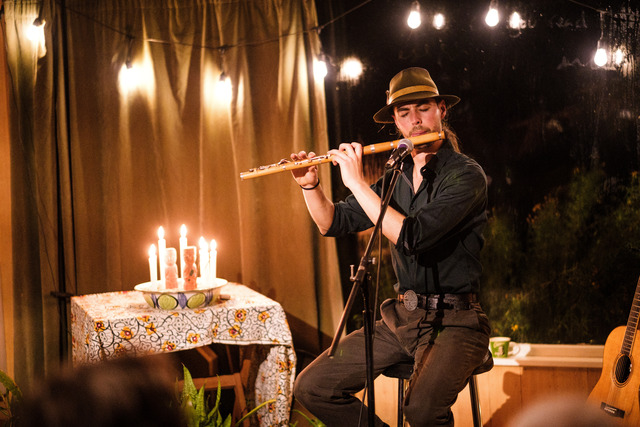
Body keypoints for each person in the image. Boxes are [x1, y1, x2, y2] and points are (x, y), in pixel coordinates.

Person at [291, 67, 491, 426]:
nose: (415, 121)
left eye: (423, 108)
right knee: (312, 387)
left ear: (442, 109)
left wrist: (356, 183)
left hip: (456, 322)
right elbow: (331, 222)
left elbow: (412, 236)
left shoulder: (465, 175)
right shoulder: (394, 177)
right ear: (396, 122)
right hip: (401, 318)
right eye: (404, 113)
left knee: (422, 410)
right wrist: (310, 186)